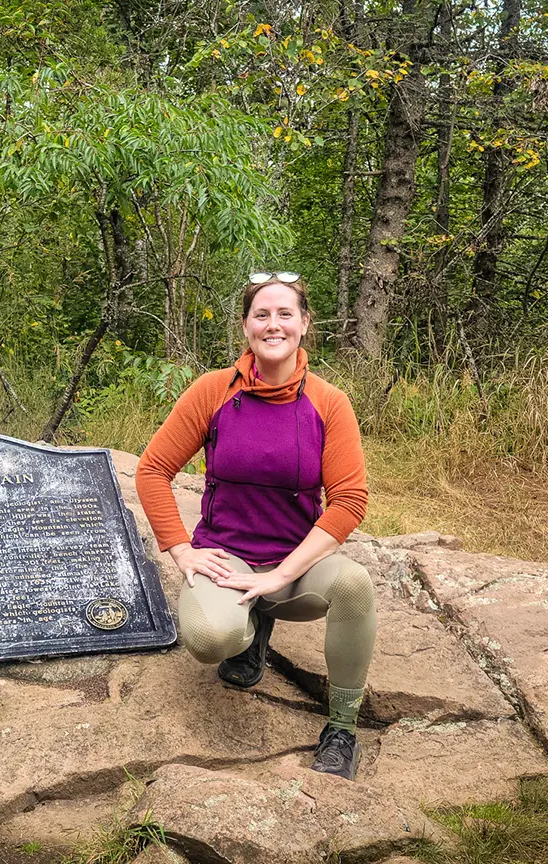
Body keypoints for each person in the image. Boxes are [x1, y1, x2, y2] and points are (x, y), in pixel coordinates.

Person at [135, 271, 376, 780]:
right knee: (211, 639)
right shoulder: (212, 391)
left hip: (295, 567)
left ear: (304, 324)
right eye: (261, 314)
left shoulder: (329, 403)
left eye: (285, 314)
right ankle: (251, 633)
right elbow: (153, 470)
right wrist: (180, 548)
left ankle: (342, 729)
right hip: (227, 560)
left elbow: (350, 500)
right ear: (245, 326)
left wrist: (280, 575)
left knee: (354, 585)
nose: (273, 325)